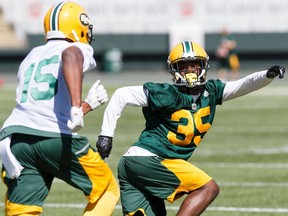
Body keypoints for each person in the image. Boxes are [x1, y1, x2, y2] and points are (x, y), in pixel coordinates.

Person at [96, 41, 285, 216]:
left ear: (204, 66)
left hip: (135, 166)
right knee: (208, 188)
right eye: (184, 66)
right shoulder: (165, 93)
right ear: (174, 70)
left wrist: (267, 75)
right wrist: (106, 134)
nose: (190, 70)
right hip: (149, 159)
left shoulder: (211, 91)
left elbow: (243, 85)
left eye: (195, 65)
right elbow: (121, 95)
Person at [0, 2, 119, 216]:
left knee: (22, 210)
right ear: (76, 26)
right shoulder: (74, 47)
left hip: (16, 141)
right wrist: (76, 106)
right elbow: (71, 54)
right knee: (106, 190)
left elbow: (42, 109)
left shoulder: (31, 56)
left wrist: (85, 106)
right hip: (53, 139)